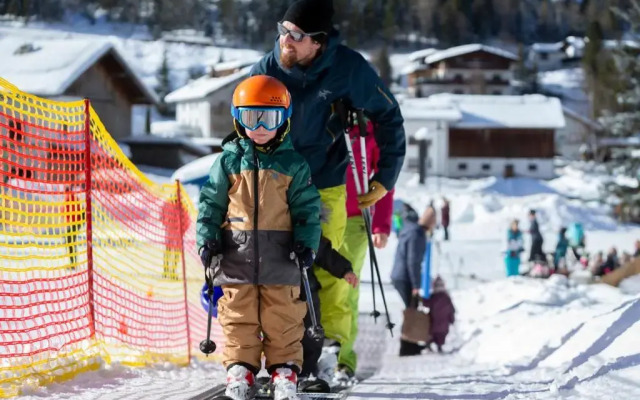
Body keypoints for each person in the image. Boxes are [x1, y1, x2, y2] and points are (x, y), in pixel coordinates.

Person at [250, 0, 406, 384]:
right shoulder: (266, 71)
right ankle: (277, 354)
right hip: (274, 184)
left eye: (296, 35)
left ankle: (332, 350)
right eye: (283, 30)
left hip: (325, 184)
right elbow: (242, 129)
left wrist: (385, 178)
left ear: (317, 43)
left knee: (328, 267)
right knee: (273, 270)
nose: (285, 40)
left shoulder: (348, 69)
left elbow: (388, 116)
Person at [196, 75, 322, 400]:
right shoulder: (227, 162)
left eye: (271, 117)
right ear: (239, 120)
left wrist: (306, 243)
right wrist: (207, 240)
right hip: (236, 258)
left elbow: (307, 210)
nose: (262, 126)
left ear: (285, 120)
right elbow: (210, 203)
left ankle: (284, 372)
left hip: (282, 258)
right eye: (253, 118)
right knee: (239, 316)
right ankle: (241, 370)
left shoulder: (294, 165)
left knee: (283, 317)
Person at [325, 119, 394, 385]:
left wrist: (381, 224)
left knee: (345, 289)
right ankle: (318, 353)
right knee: (321, 288)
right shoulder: (326, 123)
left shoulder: (370, 131)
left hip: (355, 220)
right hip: (325, 216)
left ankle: (342, 360)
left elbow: (385, 178)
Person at [391, 203, 426, 309]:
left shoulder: (406, 229)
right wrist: (416, 285)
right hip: (405, 277)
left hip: (399, 275)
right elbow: (413, 261)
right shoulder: (416, 233)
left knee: (410, 310)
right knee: (412, 312)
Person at [161, 194, 191, 280]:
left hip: (175, 233)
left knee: (172, 251)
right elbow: (187, 220)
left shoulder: (180, 206)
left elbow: (186, 220)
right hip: (174, 232)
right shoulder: (179, 206)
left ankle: (169, 270)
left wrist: (182, 230)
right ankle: (168, 270)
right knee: (171, 251)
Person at [424, 276, 455, 353]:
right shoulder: (446, 297)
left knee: (432, 334)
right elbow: (451, 309)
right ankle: (439, 346)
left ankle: (429, 344)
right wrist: (451, 319)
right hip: (444, 322)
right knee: (441, 335)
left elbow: (427, 304)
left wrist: (423, 299)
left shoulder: (433, 296)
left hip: (434, 321)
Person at [64, 185, 84, 269]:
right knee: (70, 242)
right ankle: (73, 263)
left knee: (70, 242)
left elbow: (70, 212)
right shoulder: (74, 198)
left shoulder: (69, 199)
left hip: (74, 223)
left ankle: (73, 264)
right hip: (76, 223)